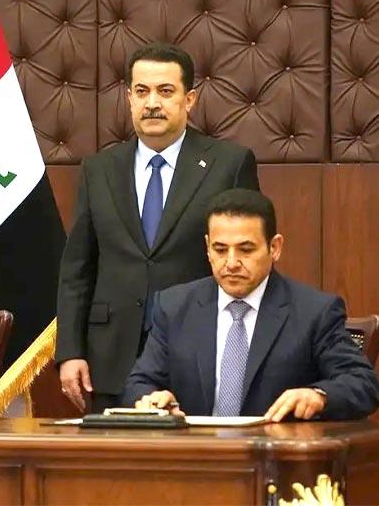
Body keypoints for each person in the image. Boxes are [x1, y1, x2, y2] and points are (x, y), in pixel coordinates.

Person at [57, 42, 260, 413]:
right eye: (142, 91)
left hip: (197, 351)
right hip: (110, 359)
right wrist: (70, 351)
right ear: (129, 98)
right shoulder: (99, 169)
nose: (152, 103)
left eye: (165, 91)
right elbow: (77, 268)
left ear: (189, 99)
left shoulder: (229, 165)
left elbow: (248, 261)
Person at [123, 189, 379, 421]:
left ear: (274, 247)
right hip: (195, 452)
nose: (231, 263)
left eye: (245, 250)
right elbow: (139, 383)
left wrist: (318, 396)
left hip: (274, 452)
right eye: (220, 249)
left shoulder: (314, 312)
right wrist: (151, 400)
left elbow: (363, 384)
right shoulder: (174, 307)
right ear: (207, 248)